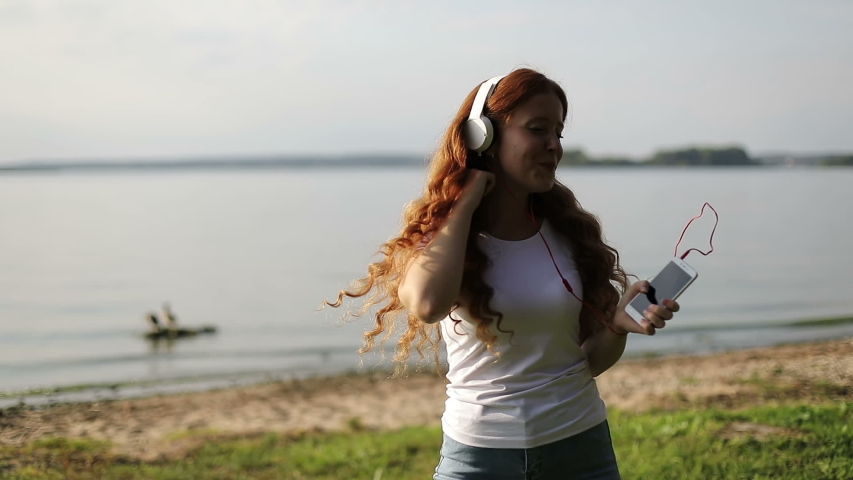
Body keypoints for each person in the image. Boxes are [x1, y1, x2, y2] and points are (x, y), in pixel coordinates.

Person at [324, 68, 680, 479]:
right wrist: (467, 198)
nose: (553, 146)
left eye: (559, 133)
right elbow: (427, 304)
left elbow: (590, 362)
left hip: (581, 448)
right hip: (480, 458)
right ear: (484, 138)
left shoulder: (570, 233)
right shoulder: (447, 236)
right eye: (537, 129)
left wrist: (617, 327)